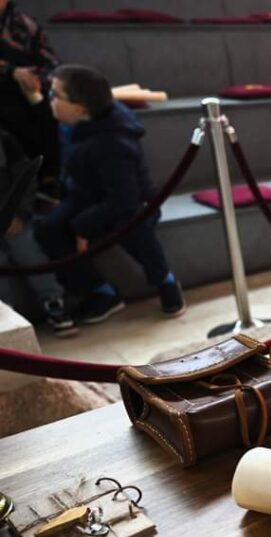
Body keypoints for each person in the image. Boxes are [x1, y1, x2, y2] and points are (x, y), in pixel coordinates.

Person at [34, 64, 185, 324]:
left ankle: (165, 282)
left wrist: (83, 227)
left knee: (134, 228)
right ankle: (100, 292)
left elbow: (124, 200)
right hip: (88, 192)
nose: (50, 100)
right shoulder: (72, 122)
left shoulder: (112, 144)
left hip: (132, 200)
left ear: (80, 108)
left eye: (55, 96)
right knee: (49, 229)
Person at [0, 126, 75, 335]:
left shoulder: (5, 139)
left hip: (14, 217)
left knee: (28, 251)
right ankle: (7, 316)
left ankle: (53, 303)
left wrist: (20, 214)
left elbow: (25, 178)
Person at [0, 0, 61, 198]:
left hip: (27, 87)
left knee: (48, 110)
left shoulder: (24, 24)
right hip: (5, 86)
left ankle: (47, 179)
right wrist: (12, 72)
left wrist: (36, 78)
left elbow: (51, 63)